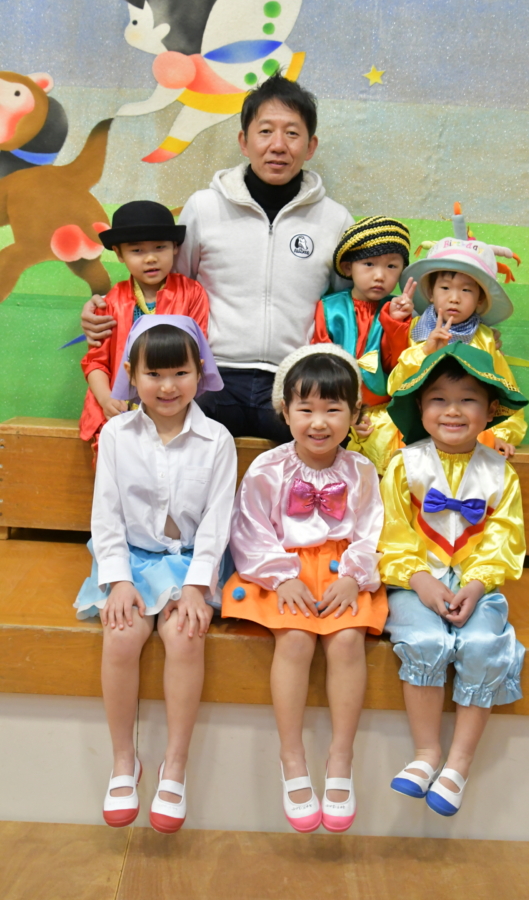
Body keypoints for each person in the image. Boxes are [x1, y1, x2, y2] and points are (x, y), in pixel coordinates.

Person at [80, 73, 354, 442]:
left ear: (311, 145)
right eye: (265, 131)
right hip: (211, 376)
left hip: (295, 379)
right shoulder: (204, 208)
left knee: (327, 445)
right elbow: (165, 287)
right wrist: (102, 312)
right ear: (243, 141)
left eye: (292, 133)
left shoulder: (335, 220)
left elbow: (349, 303)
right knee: (164, 440)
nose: (278, 145)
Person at [75, 316, 236, 833]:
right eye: (154, 374)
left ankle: (175, 766)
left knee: (185, 635)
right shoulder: (116, 434)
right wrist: (119, 579)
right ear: (131, 374)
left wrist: (196, 585)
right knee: (121, 634)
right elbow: (105, 515)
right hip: (130, 559)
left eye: (180, 373)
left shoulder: (217, 440)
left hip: (191, 563)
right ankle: (125, 761)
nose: (168, 386)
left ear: (199, 372)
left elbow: (217, 521)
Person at [221, 345, 387, 833]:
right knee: (294, 639)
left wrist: (353, 576)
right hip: (281, 568)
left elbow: (372, 530)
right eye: (306, 409)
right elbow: (249, 528)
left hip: (342, 571)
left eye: (333, 409)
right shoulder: (268, 468)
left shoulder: (360, 471)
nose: (319, 422)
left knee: (347, 639)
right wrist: (282, 575)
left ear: (354, 413)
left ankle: (340, 757)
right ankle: (291, 757)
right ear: (284, 410)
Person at [379, 342, 529, 816]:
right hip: (414, 582)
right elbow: (392, 533)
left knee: (483, 643)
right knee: (425, 640)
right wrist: (420, 579)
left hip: (476, 585)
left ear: (490, 410)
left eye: (468, 400)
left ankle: (459, 764)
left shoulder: (501, 474)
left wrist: (478, 584)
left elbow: (503, 539)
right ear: (420, 408)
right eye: (438, 399)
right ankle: (427, 753)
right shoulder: (404, 466)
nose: (453, 410)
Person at [388, 214, 526, 459]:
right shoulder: (413, 329)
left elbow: (505, 387)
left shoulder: (484, 338)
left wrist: (502, 433)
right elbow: (394, 386)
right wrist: (425, 351)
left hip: (465, 430)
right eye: (445, 288)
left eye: (466, 290)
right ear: (430, 293)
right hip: (418, 426)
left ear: (480, 299)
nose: (454, 298)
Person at [79, 201, 209, 458]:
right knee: (121, 469)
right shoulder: (109, 303)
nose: (150, 258)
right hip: (121, 410)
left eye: (160, 247)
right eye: (137, 250)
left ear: (175, 247)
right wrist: (106, 399)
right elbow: (95, 362)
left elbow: (197, 354)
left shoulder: (192, 294)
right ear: (119, 254)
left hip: (174, 404)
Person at [312, 216, 415, 474]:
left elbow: (398, 366)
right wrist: (347, 414)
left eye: (392, 266)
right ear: (348, 267)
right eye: (369, 264)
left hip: (383, 412)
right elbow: (320, 365)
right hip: (336, 407)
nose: (380, 275)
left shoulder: (398, 311)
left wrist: (396, 323)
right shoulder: (330, 308)